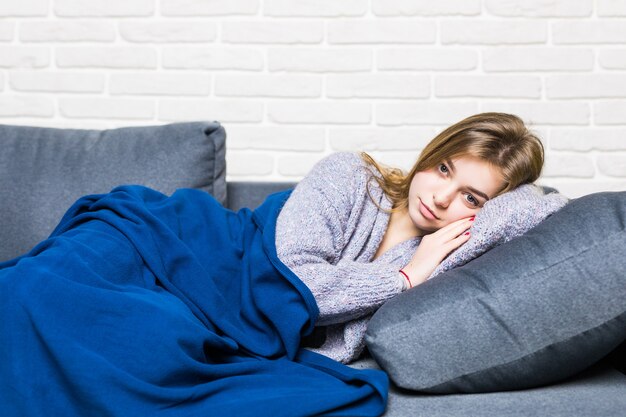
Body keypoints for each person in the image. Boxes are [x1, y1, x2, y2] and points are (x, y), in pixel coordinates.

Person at [275, 112, 548, 363]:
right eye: (444, 169)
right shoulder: (349, 174)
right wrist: (403, 279)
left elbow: (536, 209)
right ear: (432, 152)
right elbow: (291, 282)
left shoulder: (450, 256)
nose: (440, 198)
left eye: (470, 197)